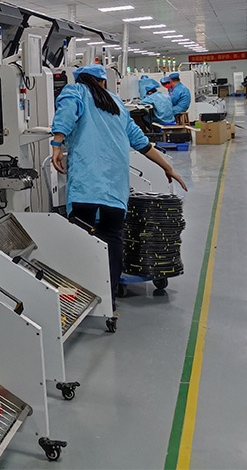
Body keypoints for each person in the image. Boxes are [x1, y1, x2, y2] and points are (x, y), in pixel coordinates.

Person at [51, 64, 187, 315]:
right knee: (112, 240)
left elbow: (67, 112)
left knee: (81, 241)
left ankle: (81, 299)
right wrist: (168, 167)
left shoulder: (76, 91)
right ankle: (109, 302)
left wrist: (56, 144)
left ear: (81, 80)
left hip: (86, 187)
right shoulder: (117, 105)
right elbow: (142, 143)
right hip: (115, 190)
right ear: (103, 82)